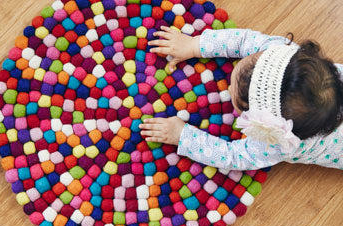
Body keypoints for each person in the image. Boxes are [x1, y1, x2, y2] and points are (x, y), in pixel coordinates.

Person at [139, 25, 343, 170]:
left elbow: (233, 157)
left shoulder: (275, 144)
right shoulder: (279, 53)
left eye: (233, 92)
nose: (228, 85)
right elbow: (244, 41)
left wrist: (182, 135)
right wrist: (193, 45)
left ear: (260, 124)